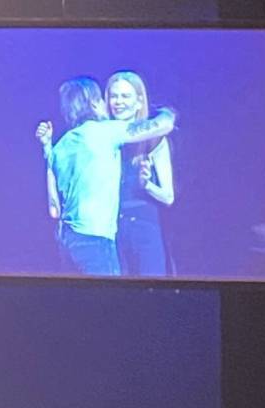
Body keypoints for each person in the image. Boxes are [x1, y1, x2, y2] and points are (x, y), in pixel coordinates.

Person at [36, 76, 176, 276]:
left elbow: (54, 210)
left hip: (68, 240)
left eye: (124, 96)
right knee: (111, 300)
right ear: (95, 103)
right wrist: (167, 113)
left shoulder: (60, 146)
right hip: (96, 240)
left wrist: (46, 146)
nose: (113, 102)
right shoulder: (106, 132)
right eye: (108, 97)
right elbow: (162, 126)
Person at [105, 71, 174, 277]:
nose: (118, 102)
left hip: (145, 229)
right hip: (111, 230)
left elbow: (168, 197)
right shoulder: (104, 138)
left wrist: (147, 185)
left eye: (125, 96)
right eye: (114, 96)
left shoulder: (154, 140)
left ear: (138, 101)